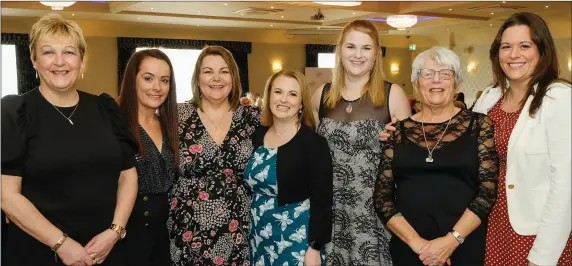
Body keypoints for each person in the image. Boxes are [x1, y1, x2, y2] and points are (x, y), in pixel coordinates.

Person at [1, 14, 138, 266]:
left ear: (82, 60)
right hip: (39, 253)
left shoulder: (105, 108)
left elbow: (128, 175)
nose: (60, 62)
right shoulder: (14, 112)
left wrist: (115, 231)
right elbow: (7, 195)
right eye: (48, 52)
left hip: (107, 252)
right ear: (33, 59)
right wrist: (61, 243)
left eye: (69, 52)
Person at [374, 46, 499, 266]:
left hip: (463, 245)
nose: (436, 81)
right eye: (427, 74)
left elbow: (487, 192)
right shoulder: (397, 132)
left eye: (445, 74)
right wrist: (420, 246)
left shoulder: (480, 125)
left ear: (457, 83)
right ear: (416, 83)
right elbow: (382, 198)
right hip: (410, 249)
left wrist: (450, 242)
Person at [472, 12, 572, 266]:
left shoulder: (559, 99)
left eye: (525, 45)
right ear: (497, 53)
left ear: (542, 51)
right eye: (506, 47)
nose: (514, 54)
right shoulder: (489, 98)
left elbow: (565, 186)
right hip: (488, 227)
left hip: (535, 234)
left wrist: (543, 258)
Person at [311, 19, 412, 265]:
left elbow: (410, 160)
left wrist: (395, 143)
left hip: (374, 214)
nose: (358, 55)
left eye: (366, 48)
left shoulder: (393, 94)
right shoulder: (321, 95)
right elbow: (310, 155)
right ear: (340, 50)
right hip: (330, 211)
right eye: (351, 47)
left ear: (376, 54)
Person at [168, 45, 261, 265]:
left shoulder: (252, 118)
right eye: (208, 71)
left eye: (224, 71)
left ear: (234, 77)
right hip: (187, 229)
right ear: (198, 77)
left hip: (238, 230)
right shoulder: (176, 115)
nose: (216, 78)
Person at [245, 69, 333, 265]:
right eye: (278, 92)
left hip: (295, 240)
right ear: (269, 97)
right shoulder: (257, 136)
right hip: (259, 236)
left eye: (292, 94)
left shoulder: (313, 143)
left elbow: (323, 201)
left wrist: (315, 247)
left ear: (301, 103)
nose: (284, 99)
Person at [118, 49, 179, 266]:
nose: (157, 87)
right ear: (131, 80)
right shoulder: (115, 123)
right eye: (148, 78)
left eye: (164, 80)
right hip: (127, 235)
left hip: (164, 235)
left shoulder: (170, 125)